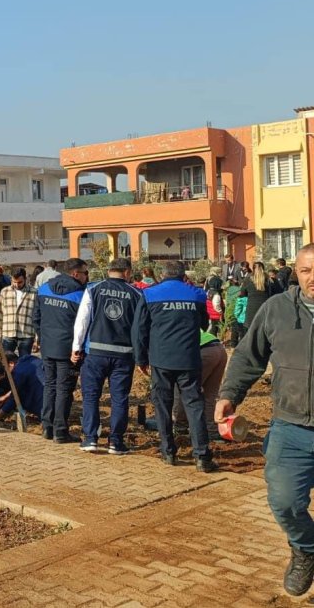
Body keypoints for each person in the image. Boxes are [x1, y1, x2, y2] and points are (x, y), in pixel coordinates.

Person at [215, 243, 314, 596]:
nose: (312, 278)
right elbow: (248, 356)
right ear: (296, 273)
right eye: (306, 270)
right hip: (291, 426)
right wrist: (229, 395)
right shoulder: (277, 309)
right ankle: (305, 550)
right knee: (285, 501)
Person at [133, 261, 217, 472]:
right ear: (183, 275)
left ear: (162, 275)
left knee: (162, 406)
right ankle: (202, 457)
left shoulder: (150, 294)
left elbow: (139, 329)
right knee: (194, 406)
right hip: (189, 358)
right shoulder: (197, 294)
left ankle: (168, 452)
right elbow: (203, 323)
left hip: (161, 360)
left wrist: (141, 359)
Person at [71, 258, 142, 454]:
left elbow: (82, 320)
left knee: (91, 396)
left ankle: (90, 439)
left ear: (108, 270)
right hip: (124, 355)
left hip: (95, 353)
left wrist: (76, 347)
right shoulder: (136, 294)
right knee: (119, 398)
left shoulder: (94, 289)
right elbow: (141, 327)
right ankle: (115, 442)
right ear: (127, 272)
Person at [33, 258, 89, 443]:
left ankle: (47, 427)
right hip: (68, 350)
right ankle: (60, 431)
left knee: (50, 386)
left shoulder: (44, 289)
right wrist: (78, 348)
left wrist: (42, 338)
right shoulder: (81, 295)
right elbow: (84, 325)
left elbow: (36, 318)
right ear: (75, 274)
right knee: (64, 389)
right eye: (85, 273)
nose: (86, 277)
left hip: (48, 346)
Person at [173, 329, 227, 440]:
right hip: (219, 349)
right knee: (209, 395)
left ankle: (180, 427)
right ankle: (211, 431)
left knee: (183, 390)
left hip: (203, 351)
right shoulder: (185, 318)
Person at [0, 353, 45, 421]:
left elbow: (15, 397)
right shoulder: (29, 358)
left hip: (43, 401)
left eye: (4, 366)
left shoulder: (18, 373)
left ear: (11, 363)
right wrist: (5, 396)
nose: (5, 370)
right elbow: (18, 388)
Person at [0, 267, 37, 358]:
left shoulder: (34, 293)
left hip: (26, 334)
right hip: (8, 332)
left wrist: (37, 338)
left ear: (25, 279)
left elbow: (37, 316)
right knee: (5, 362)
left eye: (20, 282)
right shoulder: (4, 292)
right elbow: (0, 314)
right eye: (14, 282)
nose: (16, 285)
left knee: (25, 363)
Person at [240, 261, 282, 326]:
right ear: (263, 269)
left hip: (252, 309)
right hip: (267, 308)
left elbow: (242, 294)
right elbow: (279, 293)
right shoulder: (271, 280)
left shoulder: (248, 280)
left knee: (252, 332)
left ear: (253, 269)